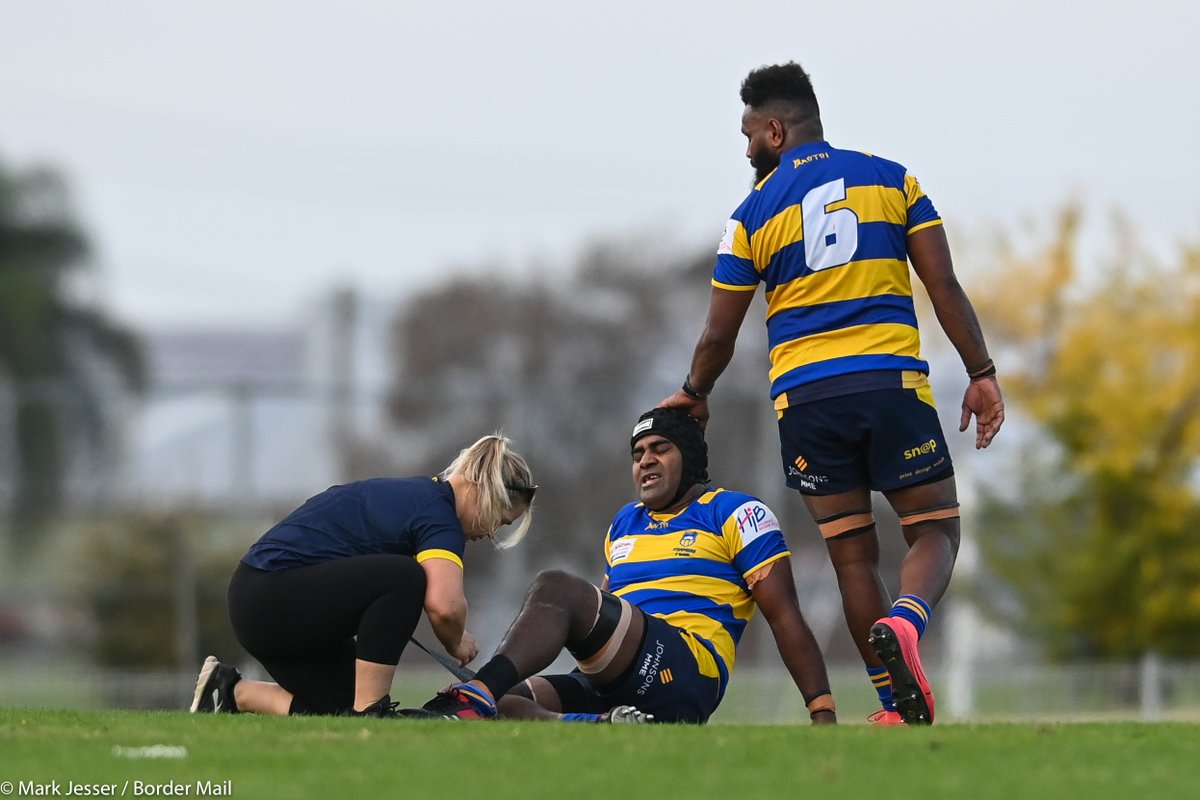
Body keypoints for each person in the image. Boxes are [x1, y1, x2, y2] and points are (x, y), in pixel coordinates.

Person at [659, 62, 1005, 726]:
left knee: (851, 553)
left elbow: (717, 334)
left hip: (806, 402)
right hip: (889, 382)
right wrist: (981, 371)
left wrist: (692, 394)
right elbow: (945, 286)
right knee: (934, 527)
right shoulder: (894, 179)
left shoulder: (750, 216)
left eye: (748, 136)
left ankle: (891, 704)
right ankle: (906, 623)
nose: (747, 150)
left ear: (775, 128)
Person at [406, 407, 836, 725]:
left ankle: (475, 690)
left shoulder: (734, 512)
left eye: (659, 449)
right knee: (504, 703)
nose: (645, 460)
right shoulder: (624, 523)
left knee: (555, 588)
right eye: (637, 453)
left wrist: (822, 711)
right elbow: (608, 615)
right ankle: (601, 725)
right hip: (614, 681)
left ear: (689, 457)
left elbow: (785, 616)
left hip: (686, 673)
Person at [188, 433, 537, 717]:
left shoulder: (418, 498)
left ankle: (228, 692)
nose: (491, 533)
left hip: (258, 600)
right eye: (500, 521)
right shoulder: (440, 515)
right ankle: (371, 710)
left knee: (338, 705)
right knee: (404, 577)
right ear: (486, 493)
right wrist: (456, 641)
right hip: (268, 595)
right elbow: (445, 606)